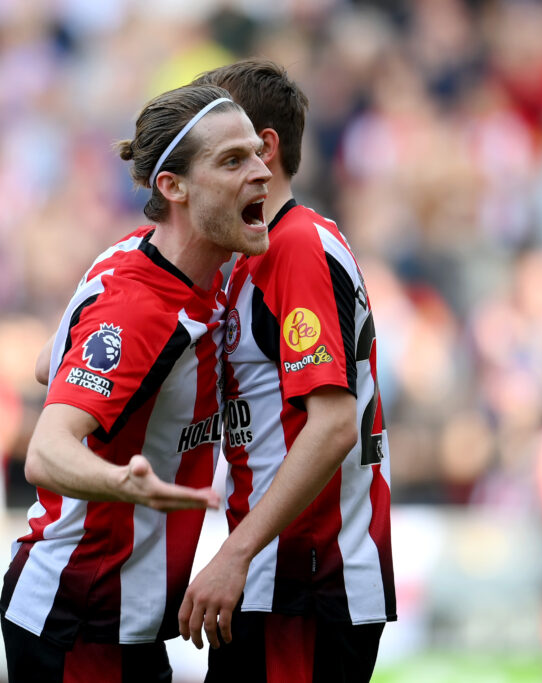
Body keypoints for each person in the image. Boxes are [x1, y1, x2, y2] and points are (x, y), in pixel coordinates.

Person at [0, 84, 272, 683]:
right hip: (81, 617)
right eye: (232, 161)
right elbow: (46, 452)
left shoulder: (146, 258)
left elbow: (51, 362)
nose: (261, 173)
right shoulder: (142, 311)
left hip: (125, 620)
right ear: (173, 187)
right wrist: (126, 482)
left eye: (257, 154)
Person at [178, 59, 396, 682]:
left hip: (303, 581)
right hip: (275, 581)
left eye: (211, 138)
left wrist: (235, 554)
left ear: (263, 149)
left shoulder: (296, 246)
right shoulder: (253, 256)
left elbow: (331, 426)